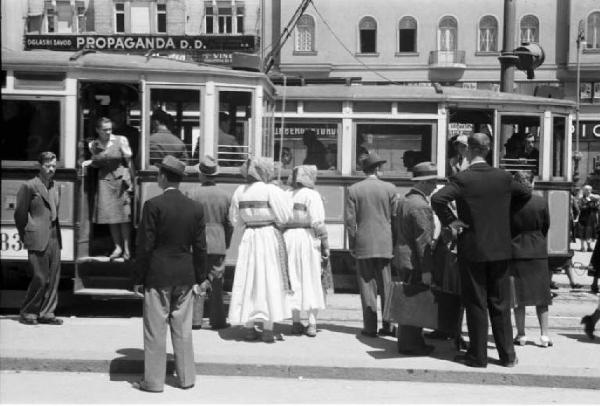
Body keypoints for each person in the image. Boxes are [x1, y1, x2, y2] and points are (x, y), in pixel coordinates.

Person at [431, 133, 531, 368]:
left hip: (473, 248)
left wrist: (452, 221)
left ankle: (478, 355)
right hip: (501, 248)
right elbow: (525, 193)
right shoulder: (503, 177)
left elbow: (438, 199)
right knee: (500, 302)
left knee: (476, 302)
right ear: (488, 150)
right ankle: (507, 355)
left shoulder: (463, 178)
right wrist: (503, 215)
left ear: (469, 150)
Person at [133, 155, 207, 392]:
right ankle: (186, 379)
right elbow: (201, 247)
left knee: (156, 330)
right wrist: (200, 277)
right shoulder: (195, 208)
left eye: (158, 174)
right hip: (185, 276)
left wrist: (138, 277)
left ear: (164, 177)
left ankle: (153, 382)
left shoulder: (153, 206)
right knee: (183, 329)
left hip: (158, 276)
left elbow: (145, 246)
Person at [228, 158, 293, 343]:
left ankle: (248, 328)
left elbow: (235, 220)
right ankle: (268, 329)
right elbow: (284, 216)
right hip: (268, 236)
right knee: (269, 279)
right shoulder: (271, 190)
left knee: (248, 279)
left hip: (249, 237)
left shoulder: (239, 191)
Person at [345, 152, 397, 337]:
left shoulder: (354, 190)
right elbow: (395, 217)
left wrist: (352, 244)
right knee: (387, 285)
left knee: (367, 286)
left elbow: (350, 223)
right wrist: (395, 242)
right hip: (385, 242)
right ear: (377, 168)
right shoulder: (390, 188)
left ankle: (370, 327)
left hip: (364, 243)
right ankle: (389, 325)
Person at [392, 161, 440, 355]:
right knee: (415, 302)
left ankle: (408, 341)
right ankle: (411, 344)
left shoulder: (404, 200)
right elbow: (423, 241)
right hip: (414, 261)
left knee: (407, 300)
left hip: (402, 256)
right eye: (432, 182)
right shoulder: (421, 206)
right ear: (422, 183)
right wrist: (428, 269)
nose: (435, 186)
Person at [15, 152, 63, 326]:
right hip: (37, 236)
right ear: (40, 166)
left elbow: (54, 212)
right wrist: (26, 234)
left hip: (54, 236)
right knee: (40, 277)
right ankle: (28, 312)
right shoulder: (29, 186)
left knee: (53, 277)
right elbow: (20, 214)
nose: (51, 169)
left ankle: (47, 313)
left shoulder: (56, 186)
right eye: (47, 166)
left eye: (54, 166)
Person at [188, 155, 234, 329]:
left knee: (196, 279)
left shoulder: (191, 193)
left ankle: (195, 320)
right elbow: (229, 224)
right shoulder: (226, 196)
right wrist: (226, 241)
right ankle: (218, 320)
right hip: (218, 241)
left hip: (197, 241)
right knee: (216, 281)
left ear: (201, 175)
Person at [509, 171, 553, 348]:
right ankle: (544, 336)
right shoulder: (541, 202)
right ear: (532, 183)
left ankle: (521, 335)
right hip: (537, 250)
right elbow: (545, 225)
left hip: (516, 250)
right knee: (541, 296)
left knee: (519, 297)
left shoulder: (509, 203)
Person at [284, 165, 328, 337]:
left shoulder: (286, 194)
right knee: (311, 278)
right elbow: (318, 223)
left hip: (288, 238)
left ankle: (295, 322)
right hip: (307, 238)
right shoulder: (313, 195)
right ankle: (312, 323)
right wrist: (326, 245)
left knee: (292, 278)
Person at [89, 117, 134, 261]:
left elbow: (129, 161)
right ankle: (117, 247)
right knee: (111, 217)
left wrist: (131, 180)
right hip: (104, 182)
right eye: (105, 129)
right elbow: (95, 163)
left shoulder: (121, 140)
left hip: (121, 181)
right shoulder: (93, 145)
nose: (108, 132)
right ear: (98, 130)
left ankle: (127, 249)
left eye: (110, 129)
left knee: (124, 217)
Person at [576, 185, 599, 252]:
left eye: (589, 190)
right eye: (586, 190)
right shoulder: (581, 198)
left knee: (590, 232)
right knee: (582, 232)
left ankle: (589, 247)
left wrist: (596, 203)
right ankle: (582, 247)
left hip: (592, 217)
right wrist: (588, 203)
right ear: (584, 190)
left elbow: (597, 206)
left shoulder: (594, 197)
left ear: (591, 190)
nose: (588, 191)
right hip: (583, 217)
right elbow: (580, 207)